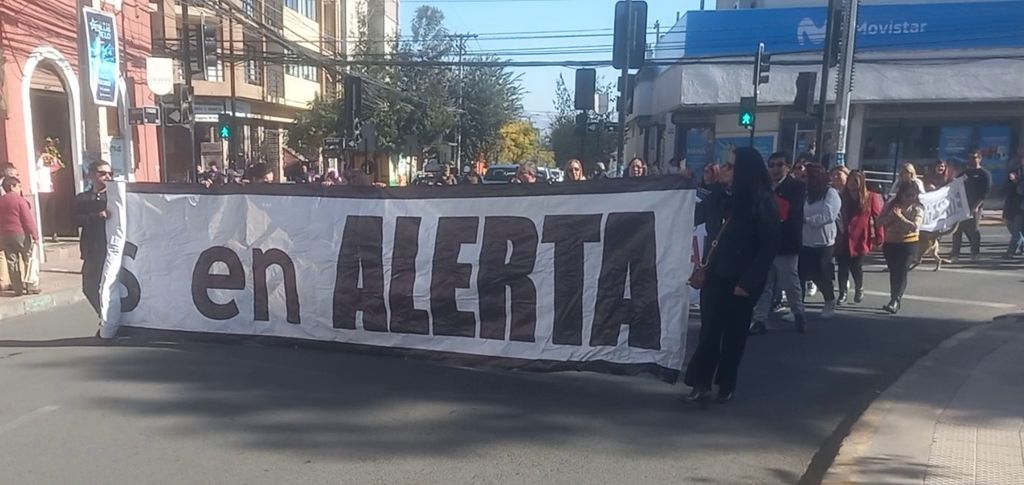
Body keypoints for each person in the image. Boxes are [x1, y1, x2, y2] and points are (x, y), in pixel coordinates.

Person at [683, 147, 779, 405]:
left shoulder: (763, 203)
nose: (722, 170)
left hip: (742, 280)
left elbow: (768, 247)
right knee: (710, 331)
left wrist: (748, 283)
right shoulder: (718, 197)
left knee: (734, 335)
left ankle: (726, 384)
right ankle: (700, 382)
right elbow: (692, 215)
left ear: (743, 172)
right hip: (715, 274)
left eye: (729, 166)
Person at [750, 152, 807, 336]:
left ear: (787, 166)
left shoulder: (796, 186)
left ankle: (798, 313)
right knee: (763, 283)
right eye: (772, 164)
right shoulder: (763, 186)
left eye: (779, 164)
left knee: (789, 281)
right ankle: (759, 320)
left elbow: (792, 211)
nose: (775, 168)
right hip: (764, 242)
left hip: (786, 242)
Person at [800, 163, 842, 319]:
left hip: (823, 243)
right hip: (805, 241)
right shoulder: (805, 194)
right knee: (800, 275)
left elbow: (828, 215)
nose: (805, 180)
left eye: (807, 177)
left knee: (821, 275)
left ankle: (829, 301)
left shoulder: (831, 193)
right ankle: (798, 309)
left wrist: (805, 220)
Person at [836, 170, 884, 305]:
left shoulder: (870, 197)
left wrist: (880, 236)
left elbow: (877, 217)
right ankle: (842, 293)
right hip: (843, 236)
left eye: (855, 181)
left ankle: (859, 288)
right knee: (842, 266)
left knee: (856, 266)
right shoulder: (842, 196)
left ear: (861, 182)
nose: (851, 184)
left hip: (860, 237)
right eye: (850, 180)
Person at [878, 181, 924, 314]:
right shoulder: (891, 205)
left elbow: (915, 226)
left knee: (902, 270)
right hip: (891, 242)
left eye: (913, 195)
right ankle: (893, 296)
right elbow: (879, 222)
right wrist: (891, 217)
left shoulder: (917, 208)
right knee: (894, 271)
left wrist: (901, 218)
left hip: (908, 243)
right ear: (901, 194)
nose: (910, 198)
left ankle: (896, 300)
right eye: (907, 195)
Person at [75, 161, 113, 315]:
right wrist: (96, 216)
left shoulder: (115, 197)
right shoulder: (82, 198)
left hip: (112, 247)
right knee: (89, 286)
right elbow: (75, 220)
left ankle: (117, 318)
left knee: (114, 285)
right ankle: (104, 315)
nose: (107, 176)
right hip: (92, 248)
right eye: (102, 173)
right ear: (91, 175)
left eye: (110, 173)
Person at [0, 177, 41, 296]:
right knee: (28, 258)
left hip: (5, 235)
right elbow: (27, 219)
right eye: (18, 186)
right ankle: (30, 286)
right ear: (12, 187)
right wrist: (35, 234)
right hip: (20, 233)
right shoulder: (19, 200)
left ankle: (17, 288)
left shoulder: (1, 201)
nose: (20, 189)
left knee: (11, 261)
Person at [951, 150, 992, 263]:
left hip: (975, 206)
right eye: (970, 157)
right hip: (961, 206)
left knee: (973, 231)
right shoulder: (965, 173)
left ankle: (975, 253)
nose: (972, 160)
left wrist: (976, 206)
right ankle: (955, 254)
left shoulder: (984, 174)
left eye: (974, 157)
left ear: (980, 158)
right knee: (957, 231)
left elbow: (985, 192)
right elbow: (954, 186)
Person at [1004, 156, 1024, 258]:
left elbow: (1020, 190)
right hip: (1017, 205)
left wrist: (1017, 182)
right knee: (1015, 228)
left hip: (1020, 206)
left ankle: (1010, 252)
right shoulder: (1017, 170)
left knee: (1017, 230)